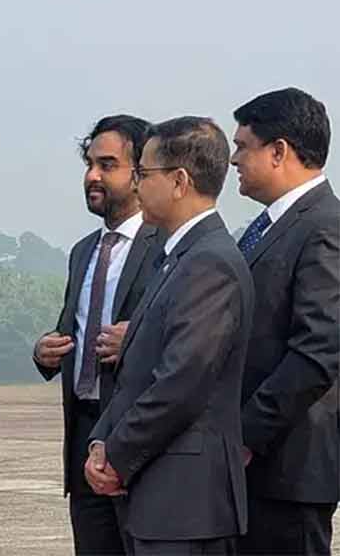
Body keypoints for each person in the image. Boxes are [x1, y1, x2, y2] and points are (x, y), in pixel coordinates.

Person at [86, 117, 255, 555]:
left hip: (186, 502)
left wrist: (118, 456)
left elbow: (180, 383)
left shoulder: (209, 263)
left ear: (179, 181)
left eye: (143, 173)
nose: (137, 185)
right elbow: (136, 372)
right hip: (159, 497)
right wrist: (101, 441)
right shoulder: (177, 256)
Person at [33, 115, 163, 555]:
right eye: (89, 164)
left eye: (107, 165)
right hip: (83, 437)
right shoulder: (84, 251)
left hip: (138, 436)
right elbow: (72, 328)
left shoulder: (167, 246)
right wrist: (45, 351)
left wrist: (139, 339)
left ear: (141, 171)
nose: (92, 176)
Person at [230, 88, 339, 555]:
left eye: (242, 146)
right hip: (254, 469)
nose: (233, 159)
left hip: (288, 468)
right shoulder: (268, 226)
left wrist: (247, 434)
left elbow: (319, 352)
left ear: (279, 151)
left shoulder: (325, 227)